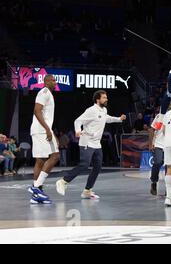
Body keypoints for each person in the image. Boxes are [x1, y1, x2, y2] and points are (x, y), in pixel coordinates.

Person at [55, 90, 126, 199]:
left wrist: (119, 119)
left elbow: (106, 118)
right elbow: (77, 121)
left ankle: (87, 191)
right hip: (87, 142)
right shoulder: (91, 110)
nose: (106, 99)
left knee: (97, 167)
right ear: (98, 99)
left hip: (97, 144)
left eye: (106, 97)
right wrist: (78, 131)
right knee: (84, 164)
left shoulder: (104, 110)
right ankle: (63, 181)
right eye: (104, 98)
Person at [28, 74, 60, 204]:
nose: (55, 82)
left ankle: (37, 195)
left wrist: (52, 132)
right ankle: (35, 188)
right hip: (41, 130)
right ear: (46, 82)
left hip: (41, 130)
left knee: (40, 161)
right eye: (52, 80)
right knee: (55, 156)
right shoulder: (44, 92)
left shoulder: (48, 94)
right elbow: (37, 111)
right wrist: (47, 129)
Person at [148, 111, 165, 195]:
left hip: (170, 144)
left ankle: (169, 189)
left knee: (170, 166)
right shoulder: (160, 116)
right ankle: (154, 183)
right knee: (158, 162)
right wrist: (150, 144)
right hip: (159, 144)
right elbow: (152, 130)